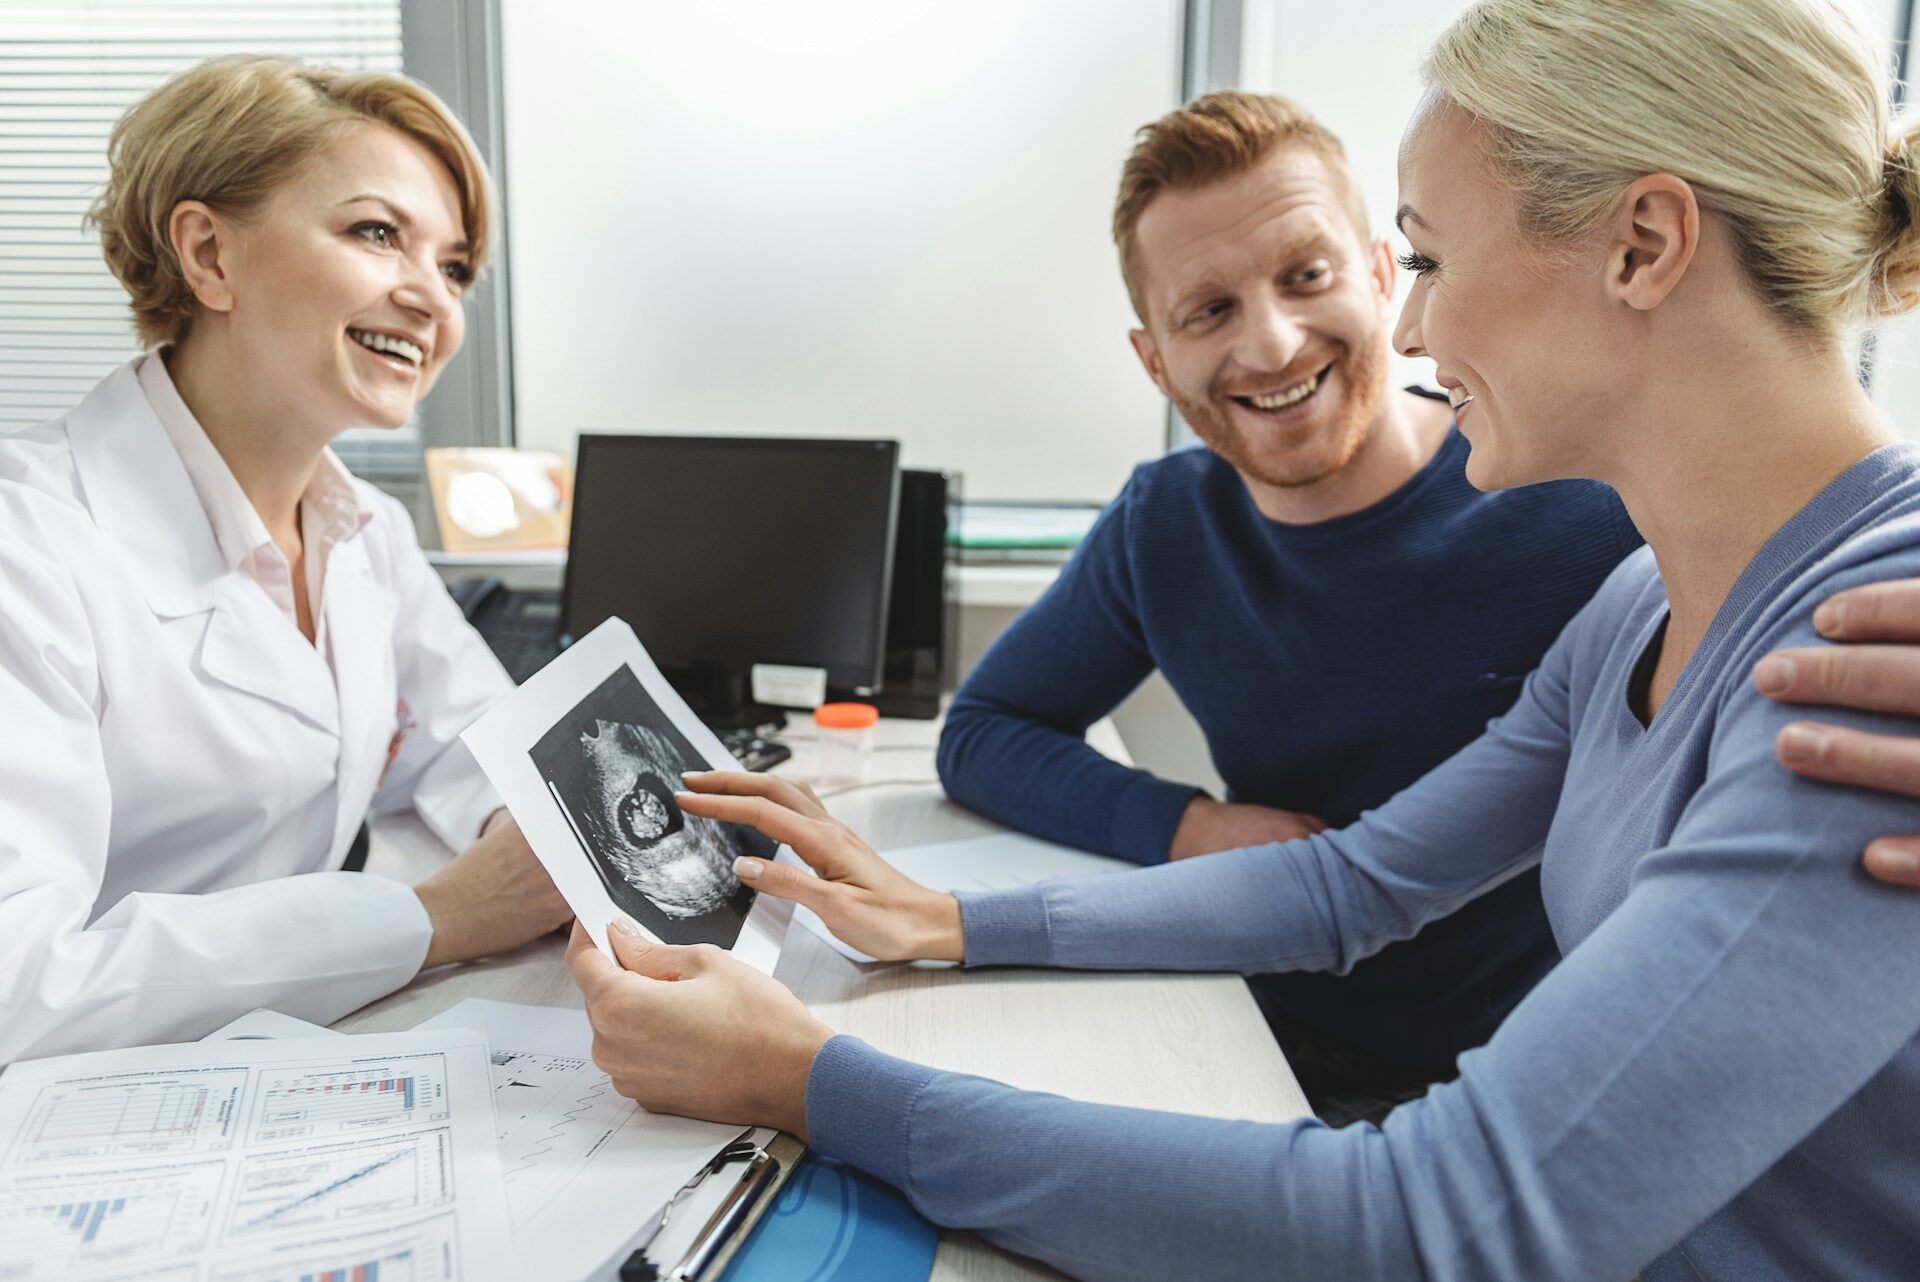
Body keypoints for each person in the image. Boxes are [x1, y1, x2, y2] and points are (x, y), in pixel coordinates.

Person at [569, 1, 1920, 1277]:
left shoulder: (1867, 666)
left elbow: (1437, 1222)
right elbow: (1352, 885)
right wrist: (949, 921)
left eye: (1431, 259)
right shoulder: (1643, 601)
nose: (1410, 325)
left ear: (1641, 246)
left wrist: (803, 1078)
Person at [935, 89, 1644, 1124]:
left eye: (1306, 277)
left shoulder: (1578, 502)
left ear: (1379, 272)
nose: (1270, 345)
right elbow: (985, 734)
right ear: (1154, 358)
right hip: (1252, 1033)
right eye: (1208, 310)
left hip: (1516, 1092)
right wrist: (1191, 825)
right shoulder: (1166, 524)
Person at [0, 55, 568, 1066]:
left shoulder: (365, 530)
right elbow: (19, 983)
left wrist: (553, 840)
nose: (433, 301)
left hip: (279, 1056)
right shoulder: (29, 539)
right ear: (209, 254)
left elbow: (477, 744)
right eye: (377, 232)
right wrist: (433, 916)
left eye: (454, 267)